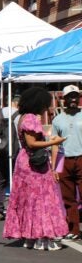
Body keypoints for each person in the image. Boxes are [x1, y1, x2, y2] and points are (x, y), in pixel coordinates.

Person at [3, 86, 68, 251]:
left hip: (24, 161)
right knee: (41, 199)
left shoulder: (23, 117)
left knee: (28, 200)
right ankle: (41, 237)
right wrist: (54, 142)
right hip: (34, 164)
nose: (47, 106)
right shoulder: (31, 118)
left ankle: (30, 237)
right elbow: (32, 143)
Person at [52, 85, 82, 240]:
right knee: (68, 198)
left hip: (81, 158)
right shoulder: (57, 119)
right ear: (64, 99)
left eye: (75, 96)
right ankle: (74, 229)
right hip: (65, 161)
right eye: (70, 96)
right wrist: (53, 167)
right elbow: (55, 144)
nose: (73, 99)